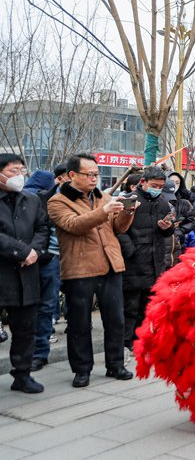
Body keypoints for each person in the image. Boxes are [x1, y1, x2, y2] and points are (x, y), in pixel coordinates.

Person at [48, 153, 136, 387]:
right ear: (72, 175)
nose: (94, 178)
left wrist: (127, 212)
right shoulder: (58, 201)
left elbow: (118, 228)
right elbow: (74, 225)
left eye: (96, 174)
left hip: (110, 265)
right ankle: (82, 369)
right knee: (79, 322)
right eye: (89, 174)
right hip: (80, 268)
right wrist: (105, 210)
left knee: (116, 320)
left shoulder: (103, 197)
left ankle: (115, 364)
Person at [0, 154, 51, 393]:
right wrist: (22, 251)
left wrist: (34, 252)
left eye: (22, 170)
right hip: (4, 270)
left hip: (26, 274)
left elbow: (43, 228)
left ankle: (22, 374)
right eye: (13, 171)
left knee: (25, 328)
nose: (19, 176)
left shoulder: (31, 200)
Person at [117, 166, 175, 359]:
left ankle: (140, 341)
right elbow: (118, 229)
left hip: (155, 260)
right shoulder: (130, 201)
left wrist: (167, 228)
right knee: (130, 306)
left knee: (148, 306)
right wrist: (131, 250)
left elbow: (169, 231)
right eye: (154, 185)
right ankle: (125, 343)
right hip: (133, 261)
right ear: (143, 182)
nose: (157, 189)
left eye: (160, 186)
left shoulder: (163, 203)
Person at [22, 170, 62, 373]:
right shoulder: (30, 199)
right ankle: (34, 353)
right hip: (27, 258)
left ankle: (38, 353)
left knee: (43, 307)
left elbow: (44, 230)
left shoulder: (55, 200)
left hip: (44, 258)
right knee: (37, 308)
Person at [164, 173, 195, 268]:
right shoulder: (158, 200)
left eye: (177, 182)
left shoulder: (184, 203)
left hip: (178, 244)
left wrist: (180, 230)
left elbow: (192, 220)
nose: (174, 185)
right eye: (172, 182)